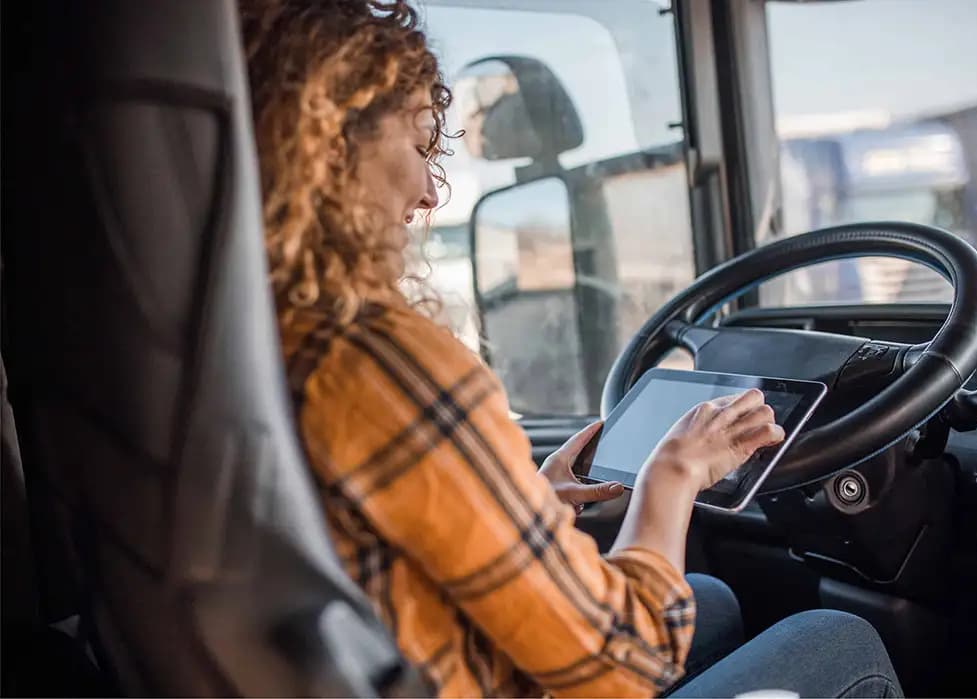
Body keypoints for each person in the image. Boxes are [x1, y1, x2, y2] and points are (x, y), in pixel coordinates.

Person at [240, 1, 903, 697]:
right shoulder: (376, 357)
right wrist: (673, 472)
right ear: (326, 138)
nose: (430, 190)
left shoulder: (272, 337)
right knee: (836, 640)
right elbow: (625, 664)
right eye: (417, 142)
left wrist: (529, 499)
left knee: (708, 597)